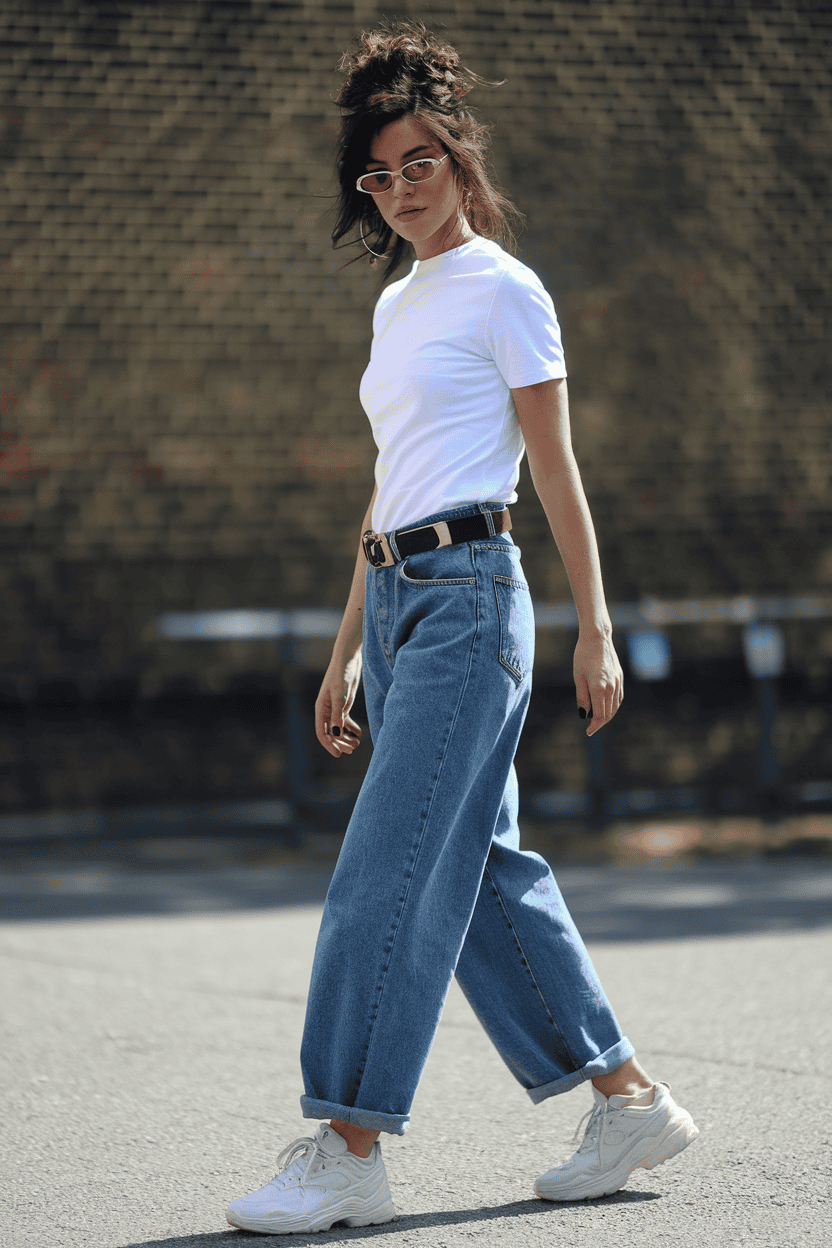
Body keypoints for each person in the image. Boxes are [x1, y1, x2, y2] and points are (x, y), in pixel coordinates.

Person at [226, 21, 698, 1236]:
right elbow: (388, 487)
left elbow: (555, 470)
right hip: (395, 605)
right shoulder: (396, 305)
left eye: (416, 162)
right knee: (478, 875)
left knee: (383, 872)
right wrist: (343, 651)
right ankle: (627, 1097)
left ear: (458, 158)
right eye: (376, 176)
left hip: (473, 600)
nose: (397, 190)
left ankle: (347, 1145)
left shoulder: (505, 287)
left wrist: (593, 626)